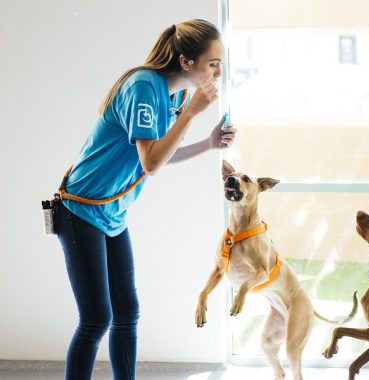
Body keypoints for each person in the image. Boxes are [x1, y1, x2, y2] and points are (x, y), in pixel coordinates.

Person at [53, 19, 236, 379]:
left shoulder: (176, 95)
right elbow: (151, 163)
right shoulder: (143, 86)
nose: (217, 73)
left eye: (220, 65)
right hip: (79, 210)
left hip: (111, 214)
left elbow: (160, 155)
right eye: (212, 64)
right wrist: (192, 114)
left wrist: (209, 144)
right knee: (96, 318)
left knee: (127, 313)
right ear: (186, 62)